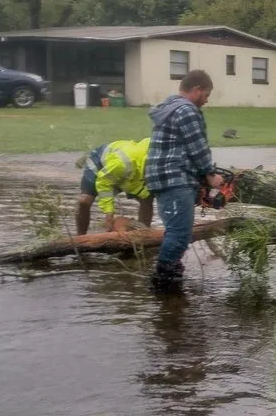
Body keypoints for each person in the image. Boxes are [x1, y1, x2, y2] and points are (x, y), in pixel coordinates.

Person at [144, 70, 224, 291]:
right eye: (206, 95)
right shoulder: (187, 110)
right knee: (180, 234)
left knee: (174, 230)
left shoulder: (168, 108)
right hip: (175, 178)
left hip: (161, 178)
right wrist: (210, 174)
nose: (206, 100)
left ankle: (172, 282)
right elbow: (197, 147)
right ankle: (163, 283)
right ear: (197, 89)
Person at [76, 138, 154, 235]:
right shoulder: (123, 163)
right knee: (84, 201)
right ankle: (80, 238)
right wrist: (109, 212)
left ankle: (143, 235)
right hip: (102, 165)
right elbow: (104, 183)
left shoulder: (155, 162)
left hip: (131, 174)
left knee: (147, 199)